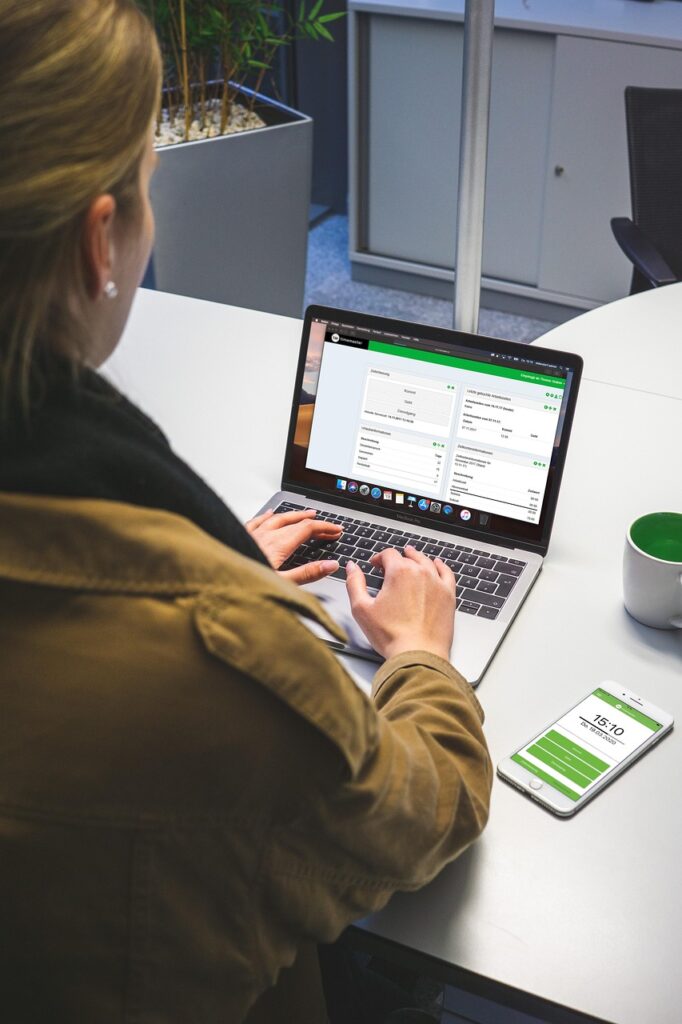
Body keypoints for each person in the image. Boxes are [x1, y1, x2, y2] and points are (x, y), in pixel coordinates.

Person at [0, 1, 493, 1021]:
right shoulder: (219, 663)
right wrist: (422, 660)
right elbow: (415, 814)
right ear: (102, 237)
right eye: (148, 186)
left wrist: (206, 558)